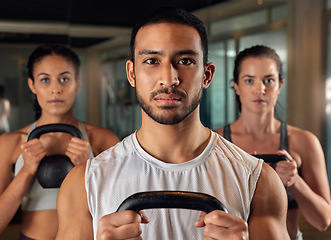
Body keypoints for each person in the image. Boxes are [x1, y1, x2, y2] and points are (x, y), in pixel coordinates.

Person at [56, 8, 290, 240]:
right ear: (131, 73)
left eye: (185, 61)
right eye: (151, 61)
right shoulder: (84, 184)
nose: (169, 79)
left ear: (207, 75)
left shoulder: (258, 181)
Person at [0, 44, 119, 240]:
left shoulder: (102, 139)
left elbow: (119, 208)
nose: (56, 89)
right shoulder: (10, 143)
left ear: (78, 83)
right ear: (32, 85)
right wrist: (26, 171)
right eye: (45, 80)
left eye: (64, 79)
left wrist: (86, 170)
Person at [214, 45, 331, 239]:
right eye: (249, 80)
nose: (260, 89)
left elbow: (323, 221)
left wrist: (295, 181)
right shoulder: (217, 142)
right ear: (236, 85)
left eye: (268, 80)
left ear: (280, 85)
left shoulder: (303, 141)